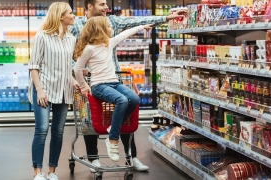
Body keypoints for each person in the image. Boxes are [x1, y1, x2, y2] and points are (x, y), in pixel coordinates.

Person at [69, 0, 187, 172]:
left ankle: (131, 157)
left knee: (125, 113)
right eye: (102, 4)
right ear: (89, 6)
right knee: (90, 122)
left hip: (115, 78)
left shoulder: (112, 21)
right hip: (92, 83)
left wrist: (167, 17)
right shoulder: (77, 26)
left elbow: (135, 22)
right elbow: (72, 55)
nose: (106, 8)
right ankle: (94, 160)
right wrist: (80, 76)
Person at [74, 16, 152, 162]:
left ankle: (113, 127)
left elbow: (125, 33)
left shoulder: (109, 43)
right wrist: (84, 86)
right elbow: (78, 69)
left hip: (114, 83)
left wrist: (142, 27)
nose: (112, 29)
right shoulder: (89, 49)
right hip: (99, 85)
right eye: (109, 27)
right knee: (122, 100)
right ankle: (112, 140)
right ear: (100, 30)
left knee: (134, 98)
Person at [28, 2, 78, 180]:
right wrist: (39, 90)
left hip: (63, 91)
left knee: (58, 131)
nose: (74, 16)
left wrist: (75, 82)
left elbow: (67, 69)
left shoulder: (71, 39)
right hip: (44, 89)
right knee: (41, 129)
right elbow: (33, 66)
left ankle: (52, 171)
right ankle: (37, 172)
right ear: (60, 16)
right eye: (71, 13)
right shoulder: (42, 36)